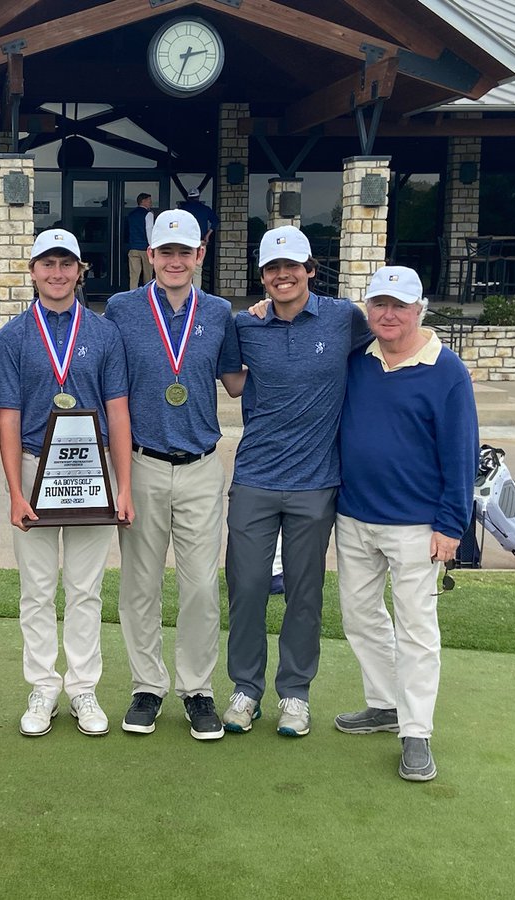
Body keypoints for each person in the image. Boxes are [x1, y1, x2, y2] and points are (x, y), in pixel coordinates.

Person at [222, 225, 370, 738]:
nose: (282, 275)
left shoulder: (343, 317)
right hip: (255, 477)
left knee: (304, 593)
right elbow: (232, 378)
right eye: (272, 269)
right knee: (246, 587)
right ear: (262, 276)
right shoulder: (245, 325)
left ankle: (295, 694)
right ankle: (245, 689)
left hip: (315, 482)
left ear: (311, 269)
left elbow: (391, 337)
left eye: (292, 267)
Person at [0, 228, 134, 738]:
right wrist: (14, 492)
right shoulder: (10, 337)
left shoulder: (103, 333)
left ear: (79, 270)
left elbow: (118, 414)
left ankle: (84, 687)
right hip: (33, 466)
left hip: (93, 471)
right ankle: (44, 685)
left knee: (86, 588)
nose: (56, 273)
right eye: (46, 264)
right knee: (37, 588)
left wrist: (126, 486)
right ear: (32, 271)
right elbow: (7, 418)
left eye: (65, 264)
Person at [333, 265, 478, 782]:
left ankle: (416, 731)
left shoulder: (447, 371)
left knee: (417, 628)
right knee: (359, 615)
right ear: (367, 309)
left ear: (419, 310)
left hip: (418, 525)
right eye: (379, 305)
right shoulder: (358, 360)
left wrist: (451, 524)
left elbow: (461, 455)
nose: (388, 315)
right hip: (353, 515)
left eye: (399, 305)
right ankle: (385, 702)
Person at [104, 209, 242, 741]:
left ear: (200, 254)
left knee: (202, 587)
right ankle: (146, 686)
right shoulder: (121, 309)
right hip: (140, 463)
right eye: (166, 252)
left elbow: (235, 380)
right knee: (139, 584)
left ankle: (197, 689)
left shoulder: (220, 312)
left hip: (202, 466)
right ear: (151, 255)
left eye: (186, 252)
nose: (176, 261)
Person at [179, 188, 220, 289]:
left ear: (188, 197)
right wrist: (208, 235)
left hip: (186, 242)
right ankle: (196, 294)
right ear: (198, 197)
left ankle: (184, 291)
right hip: (200, 241)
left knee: (184, 267)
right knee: (197, 269)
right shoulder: (205, 209)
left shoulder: (183, 209)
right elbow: (215, 221)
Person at [125, 192, 154, 290]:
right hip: (145, 248)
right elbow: (149, 230)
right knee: (148, 275)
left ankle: (132, 294)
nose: (151, 203)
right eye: (149, 201)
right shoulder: (148, 214)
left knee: (134, 275)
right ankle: (147, 295)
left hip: (133, 248)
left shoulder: (131, 214)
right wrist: (152, 246)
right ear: (144, 201)